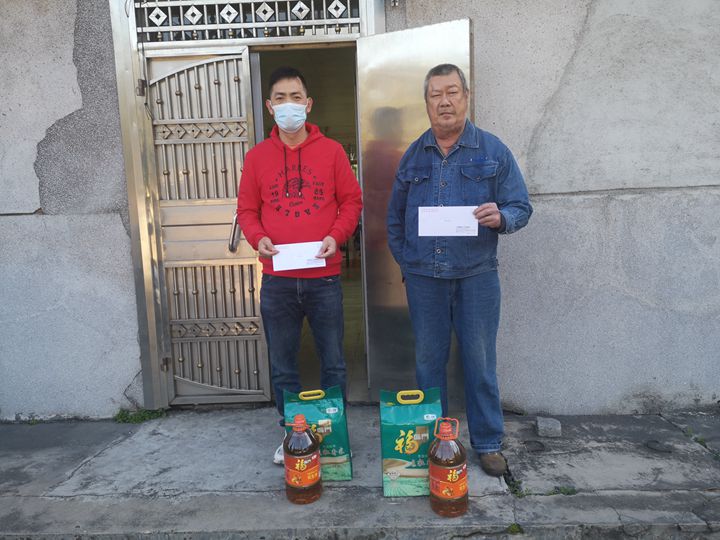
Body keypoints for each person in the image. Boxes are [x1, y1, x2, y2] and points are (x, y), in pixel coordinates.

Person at [386, 63, 532, 477]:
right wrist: (408, 262)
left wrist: (501, 217)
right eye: (436, 94)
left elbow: (521, 206)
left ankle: (487, 443)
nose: (444, 101)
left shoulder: (492, 151)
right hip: (424, 280)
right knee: (428, 364)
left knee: (480, 363)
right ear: (427, 103)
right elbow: (395, 219)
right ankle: (438, 441)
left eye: (452, 92)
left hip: (476, 276)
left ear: (466, 97)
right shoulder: (413, 155)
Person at [237, 67, 362, 464]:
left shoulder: (333, 152)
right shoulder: (257, 158)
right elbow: (246, 210)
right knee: (283, 366)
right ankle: (293, 435)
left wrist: (336, 236)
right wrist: (258, 237)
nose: (288, 105)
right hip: (277, 280)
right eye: (280, 98)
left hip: (323, 278)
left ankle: (332, 434)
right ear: (269, 106)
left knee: (333, 363)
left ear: (308, 104)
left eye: (295, 97)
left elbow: (352, 201)